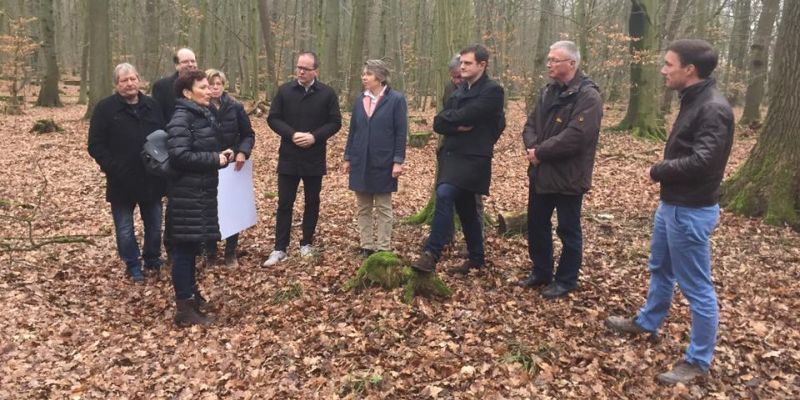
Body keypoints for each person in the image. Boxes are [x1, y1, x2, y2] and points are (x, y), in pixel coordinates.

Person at [605, 39, 733, 385]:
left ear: (689, 70)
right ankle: (647, 321)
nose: (663, 70)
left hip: (691, 211)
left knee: (697, 288)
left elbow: (705, 161)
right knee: (660, 267)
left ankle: (698, 361)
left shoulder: (712, 108)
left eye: (669, 64)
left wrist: (658, 170)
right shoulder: (693, 100)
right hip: (673, 206)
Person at [517, 40, 603, 299]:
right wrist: (533, 149)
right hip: (541, 173)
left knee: (568, 229)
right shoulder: (548, 92)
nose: (549, 64)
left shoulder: (588, 96)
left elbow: (576, 136)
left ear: (572, 63)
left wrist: (540, 152)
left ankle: (566, 279)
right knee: (536, 224)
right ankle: (541, 271)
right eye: (549, 59)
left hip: (568, 176)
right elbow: (530, 125)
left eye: (555, 60)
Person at [411, 44, 505, 275]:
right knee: (466, 209)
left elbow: (471, 114)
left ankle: (431, 254)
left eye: (467, 63)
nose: (462, 67)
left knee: (445, 195)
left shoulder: (493, 91)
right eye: (461, 63)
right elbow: (438, 122)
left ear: (482, 65)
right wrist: (455, 124)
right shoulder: (458, 90)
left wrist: (453, 122)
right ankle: (477, 258)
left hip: (474, 158)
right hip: (452, 155)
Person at [166, 70, 234, 326]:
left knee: (191, 248)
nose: (209, 91)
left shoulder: (200, 114)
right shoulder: (182, 118)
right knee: (184, 250)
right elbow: (179, 156)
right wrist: (212, 159)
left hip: (200, 193)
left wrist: (220, 155)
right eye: (203, 87)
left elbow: (198, 150)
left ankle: (192, 297)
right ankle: (184, 309)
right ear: (187, 92)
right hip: (187, 196)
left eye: (209, 86)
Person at [262, 52, 342, 267]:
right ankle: (280, 248)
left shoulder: (327, 93)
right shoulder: (285, 91)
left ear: (316, 70)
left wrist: (314, 136)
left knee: (312, 202)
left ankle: (306, 243)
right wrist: (291, 134)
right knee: (284, 203)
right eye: (298, 67)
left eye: (306, 68)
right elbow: (273, 118)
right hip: (288, 156)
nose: (301, 71)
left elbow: (335, 122)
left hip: (314, 156)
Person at [88, 63, 165, 282]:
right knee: (124, 228)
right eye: (124, 80)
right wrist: (113, 168)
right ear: (117, 84)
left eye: (132, 79)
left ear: (139, 80)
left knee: (154, 225)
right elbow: (95, 145)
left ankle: (152, 259)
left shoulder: (152, 106)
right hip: (121, 180)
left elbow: (164, 135)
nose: (130, 84)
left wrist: (162, 163)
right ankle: (132, 264)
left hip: (152, 178)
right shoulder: (105, 109)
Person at [343, 60, 407, 257]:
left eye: (368, 74)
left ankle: (384, 247)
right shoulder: (359, 99)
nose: (364, 77)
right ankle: (367, 245)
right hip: (360, 159)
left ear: (379, 77)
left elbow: (400, 132)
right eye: (364, 74)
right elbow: (353, 130)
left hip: (384, 161)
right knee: (363, 207)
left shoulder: (396, 99)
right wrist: (348, 157)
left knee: (383, 207)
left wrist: (398, 160)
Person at [202, 69, 256, 268]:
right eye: (211, 84)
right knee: (209, 210)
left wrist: (240, 151)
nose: (215, 87)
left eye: (219, 84)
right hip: (207, 164)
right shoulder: (200, 107)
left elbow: (248, 134)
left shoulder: (235, 107)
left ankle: (231, 252)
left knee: (231, 210)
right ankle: (210, 253)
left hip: (232, 167)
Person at [152, 48, 198, 123]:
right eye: (185, 62)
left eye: (193, 61)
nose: (190, 64)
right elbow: (158, 116)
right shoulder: (162, 86)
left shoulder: (204, 85)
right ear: (177, 65)